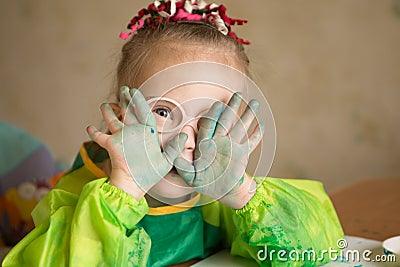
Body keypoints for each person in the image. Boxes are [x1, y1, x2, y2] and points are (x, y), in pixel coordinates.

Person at [2, 1, 344, 266]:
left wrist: (243, 194)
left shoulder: (218, 195)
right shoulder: (81, 200)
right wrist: (125, 190)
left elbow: (323, 248)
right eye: (164, 112)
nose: (189, 138)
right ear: (120, 120)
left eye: (213, 118)